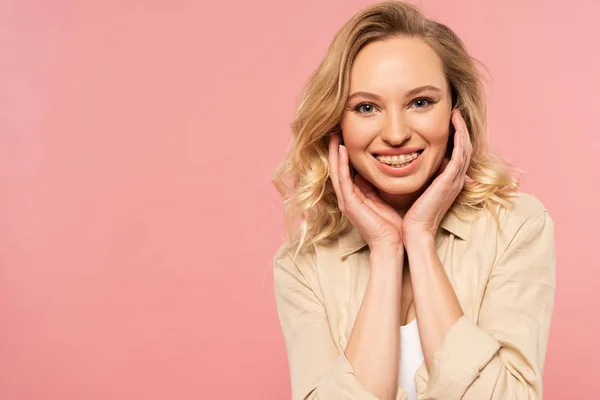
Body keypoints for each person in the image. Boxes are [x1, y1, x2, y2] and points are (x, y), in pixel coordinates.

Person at [270, 1, 556, 399]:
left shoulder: (515, 227)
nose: (395, 133)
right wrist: (387, 250)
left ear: (457, 111)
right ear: (338, 123)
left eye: (420, 102)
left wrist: (420, 239)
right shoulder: (303, 263)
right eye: (366, 107)